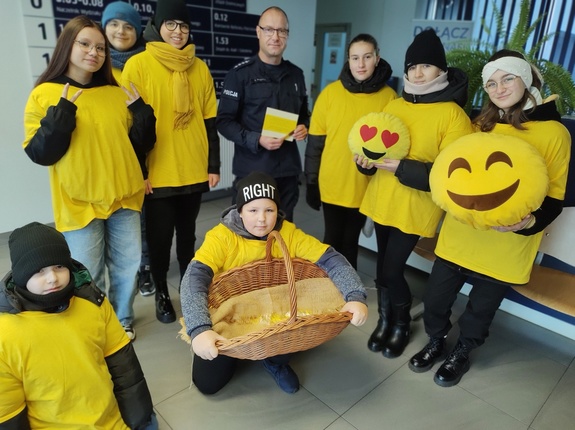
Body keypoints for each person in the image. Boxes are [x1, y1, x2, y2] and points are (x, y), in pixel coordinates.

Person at [408, 50, 571, 387]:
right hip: (458, 238)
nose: (498, 88)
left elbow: (553, 199)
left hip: (505, 246)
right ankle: (436, 340)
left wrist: (526, 224)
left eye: (507, 78)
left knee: (480, 312)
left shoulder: (554, 134)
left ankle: (461, 352)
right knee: (436, 300)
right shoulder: (479, 125)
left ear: (525, 79)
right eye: (491, 83)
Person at [22, 15, 156, 341]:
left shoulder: (115, 91)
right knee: (85, 272)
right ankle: (93, 325)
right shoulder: (45, 93)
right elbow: (40, 153)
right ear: (67, 45)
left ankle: (121, 318)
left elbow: (140, 144)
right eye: (85, 44)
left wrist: (142, 113)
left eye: (100, 47)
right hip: (78, 202)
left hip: (124, 197)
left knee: (126, 267)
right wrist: (63, 113)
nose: (94, 52)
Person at [180, 171, 368, 395]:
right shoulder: (221, 237)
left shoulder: (287, 232)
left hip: (275, 313)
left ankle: (274, 361)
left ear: (278, 211)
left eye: (269, 210)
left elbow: (330, 257)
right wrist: (199, 328)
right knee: (208, 383)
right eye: (252, 210)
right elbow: (194, 277)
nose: (262, 219)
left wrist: (355, 295)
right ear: (239, 212)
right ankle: (240, 353)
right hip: (233, 314)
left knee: (292, 329)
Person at [355, 29, 473, 357]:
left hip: (415, 206)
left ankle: (401, 323)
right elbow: (377, 153)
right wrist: (365, 162)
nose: (417, 73)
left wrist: (402, 168)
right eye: (412, 67)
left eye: (426, 66)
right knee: (381, 269)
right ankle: (384, 320)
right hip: (382, 199)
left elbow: (449, 175)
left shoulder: (453, 115)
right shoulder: (394, 104)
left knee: (392, 269)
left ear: (441, 71)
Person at [0, 222, 157, 429]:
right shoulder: (6, 332)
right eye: (38, 271)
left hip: (112, 422)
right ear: (20, 276)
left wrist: (139, 419)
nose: (52, 278)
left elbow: (125, 369)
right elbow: (8, 413)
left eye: (59, 266)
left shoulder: (93, 302)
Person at [122, 0, 221, 324]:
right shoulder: (138, 65)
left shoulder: (200, 67)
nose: (178, 32)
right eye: (171, 25)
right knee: (160, 239)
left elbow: (209, 121)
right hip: (158, 172)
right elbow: (131, 127)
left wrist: (213, 165)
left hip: (193, 168)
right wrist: (141, 171)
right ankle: (162, 292)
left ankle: (190, 288)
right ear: (157, 26)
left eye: (183, 26)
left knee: (188, 236)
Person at [305, 33, 397, 269]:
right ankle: (327, 291)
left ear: (377, 58)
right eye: (355, 58)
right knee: (332, 240)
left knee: (350, 241)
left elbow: (393, 147)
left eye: (367, 57)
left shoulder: (389, 98)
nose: (361, 64)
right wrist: (311, 181)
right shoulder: (330, 94)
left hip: (365, 185)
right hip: (332, 181)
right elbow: (316, 143)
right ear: (348, 60)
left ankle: (350, 294)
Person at [216, 6, 309, 222]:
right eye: (269, 30)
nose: (275, 37)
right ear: (258, 32)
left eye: (281, 31)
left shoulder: (296, 75)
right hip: (252, 171)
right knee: (249, 237)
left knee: (283, 233)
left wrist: (305, 126)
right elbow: (224, 122)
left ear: (287, 35)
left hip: (288, 171)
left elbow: (304, 114)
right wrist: (257, 139)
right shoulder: (240, 75)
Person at [101, 1, 155, 298]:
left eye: (128, 26)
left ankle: (143, 270)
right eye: (114, 24)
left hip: (138, 155)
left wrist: (143, 169)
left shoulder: (145, 64)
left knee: (139, 221)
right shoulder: (97, 65)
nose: (121, 31)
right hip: (104, 157)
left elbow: (149, 120)